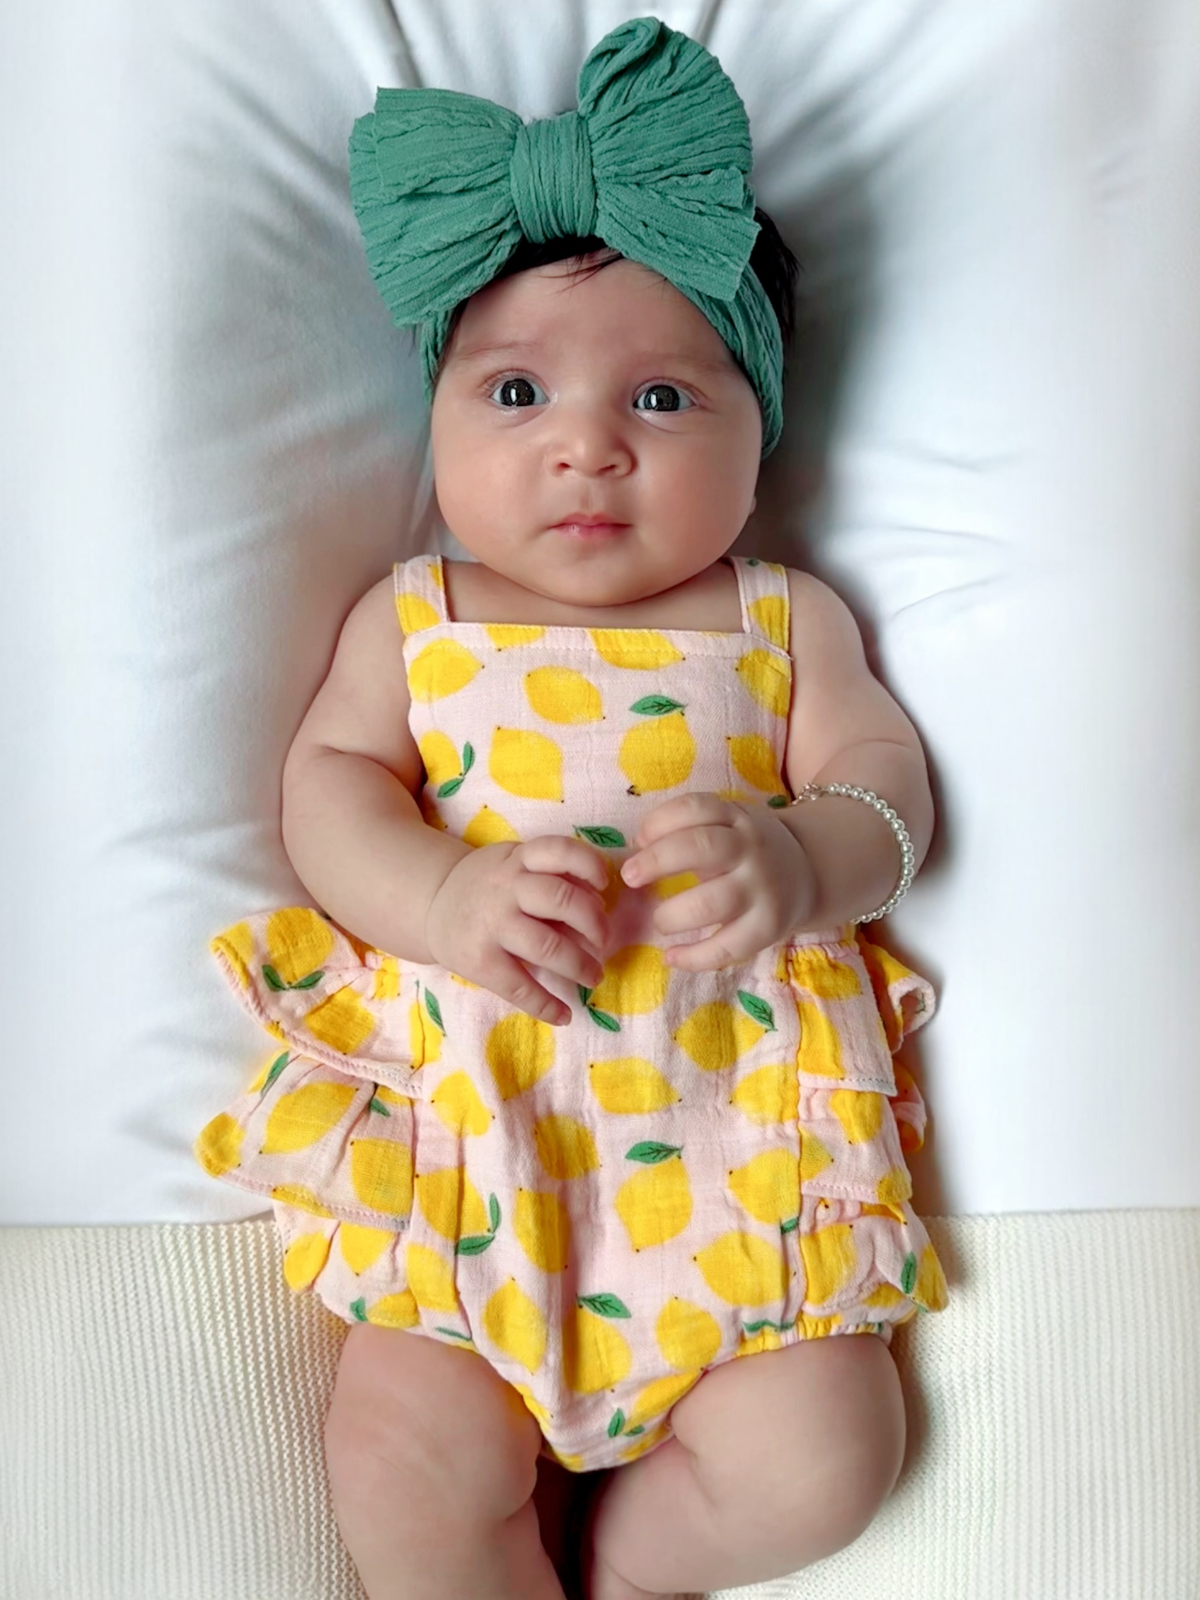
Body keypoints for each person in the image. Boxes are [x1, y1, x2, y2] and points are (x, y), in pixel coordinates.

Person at [194, 18, 948, 1600]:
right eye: (517, 390)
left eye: (667, 400)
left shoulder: (781, 618)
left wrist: (804, 857)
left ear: (764, 431)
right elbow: (329, 793)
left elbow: (890, 795)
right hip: (479, 1143)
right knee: (401, 1459)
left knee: (827, 1458)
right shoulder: (418, 619)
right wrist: (442, 901)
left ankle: (632, 1566)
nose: (586, 444)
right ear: (437, 418)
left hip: (732, 1142)